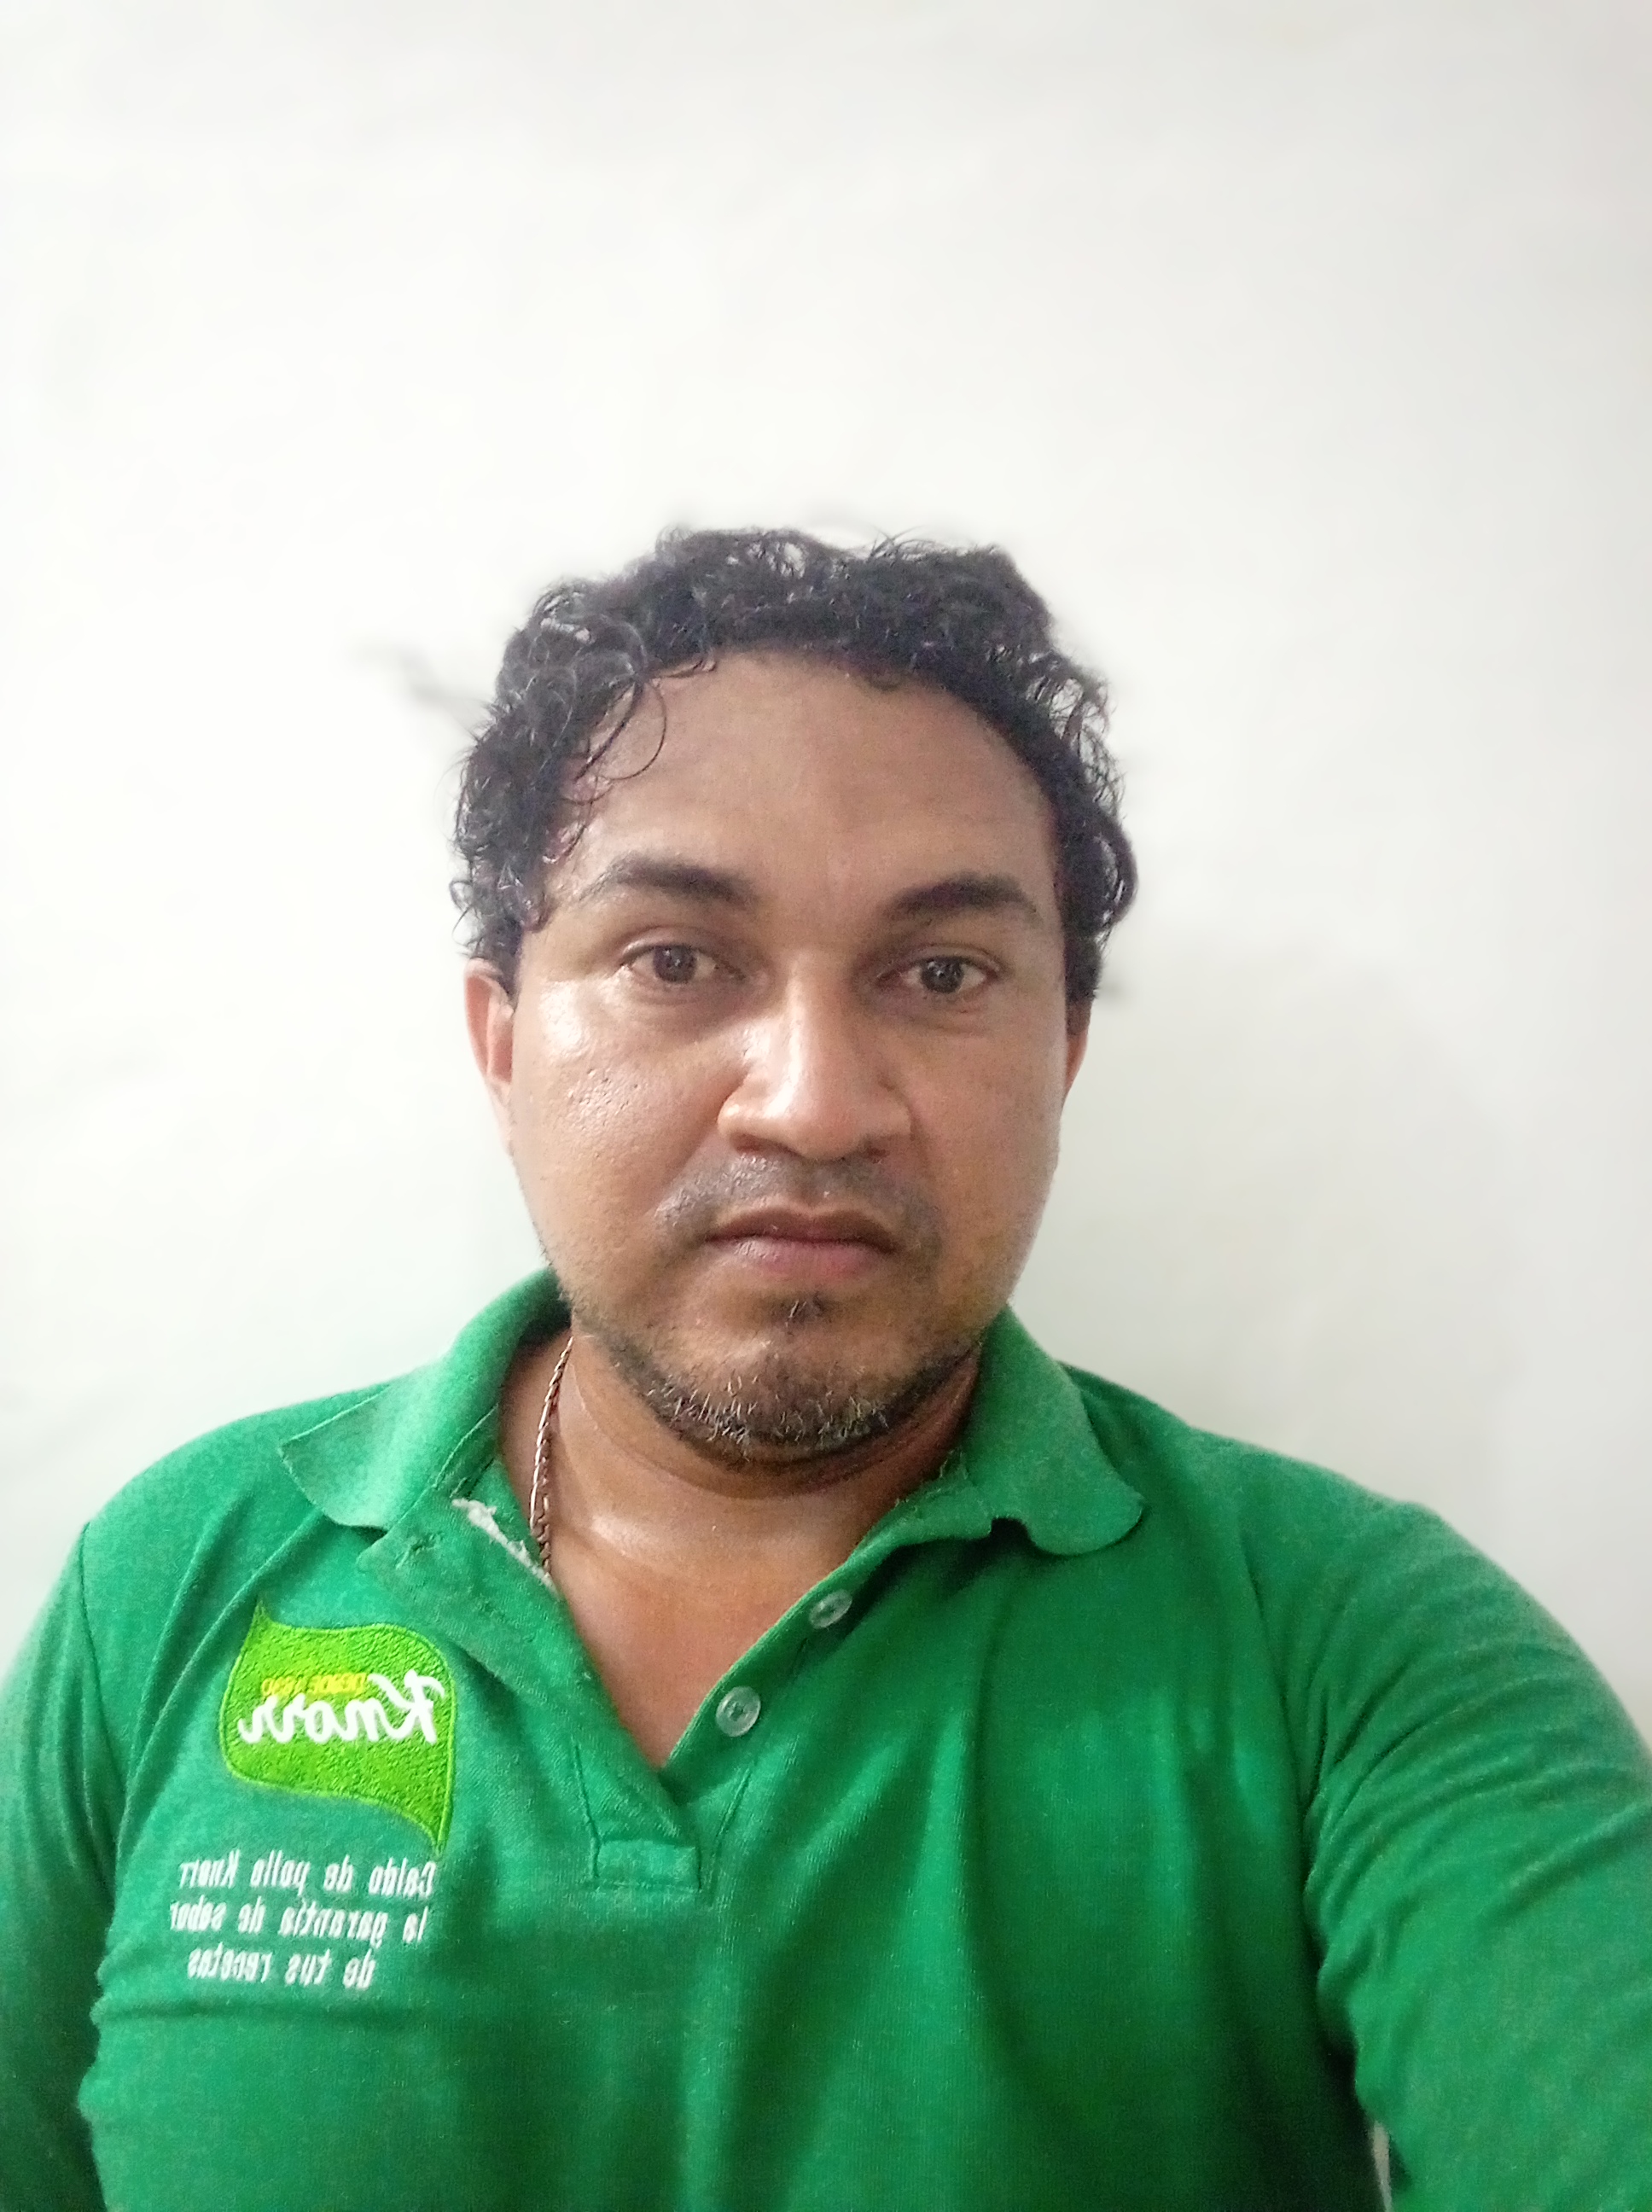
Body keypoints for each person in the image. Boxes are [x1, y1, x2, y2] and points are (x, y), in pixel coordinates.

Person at [2, 529, 1649, 2212]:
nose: (811, 1102)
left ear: (1062, 1054)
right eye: (674, 959)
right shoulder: (175, 1584)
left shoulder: (1350, 1648)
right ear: (502, 1046)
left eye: (940, 974)